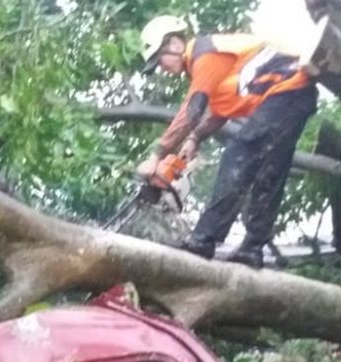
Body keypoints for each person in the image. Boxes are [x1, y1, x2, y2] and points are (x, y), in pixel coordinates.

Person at [136, 15, 318, 268]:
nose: (161, 67)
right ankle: (252, 248)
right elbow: (221, 110)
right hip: (293, 95)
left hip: (288, 90)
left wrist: (156, 154)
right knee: (270, 171)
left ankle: (203, 239)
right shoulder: (208, 67)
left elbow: (192, 110)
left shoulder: (204, 54)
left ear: (175, 44)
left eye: (160, 59)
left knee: (239, 156)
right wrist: (195, 138)